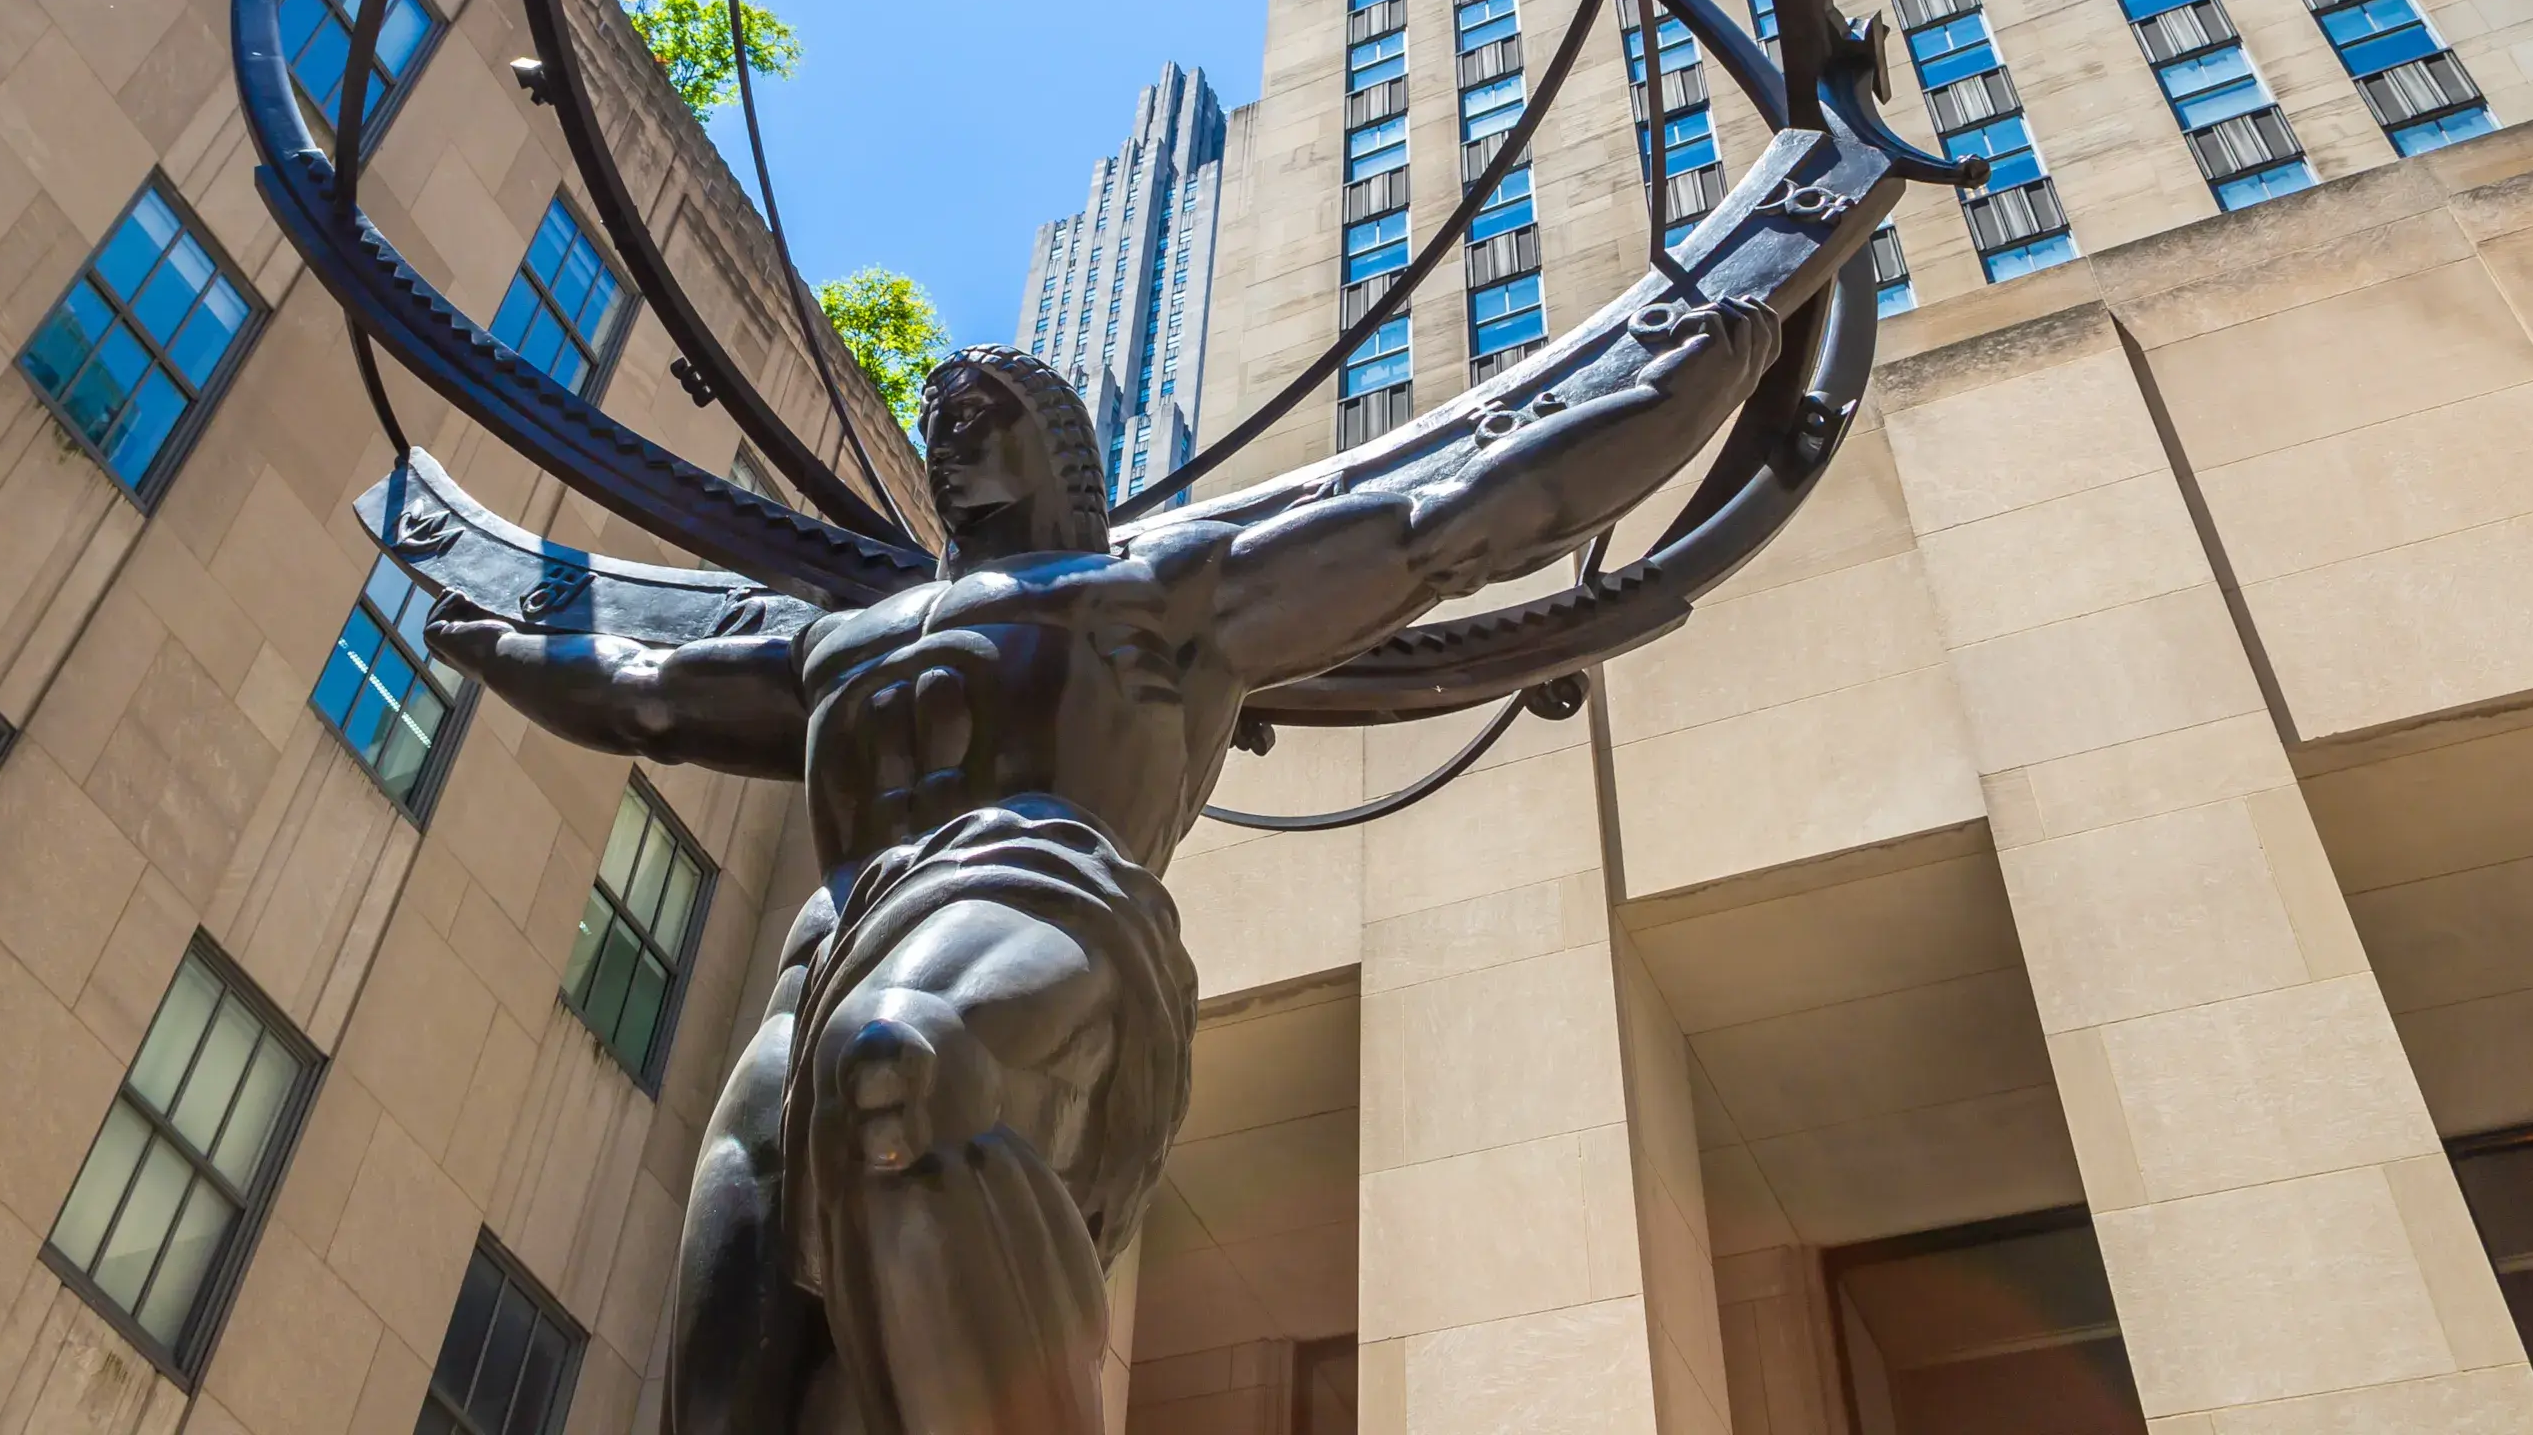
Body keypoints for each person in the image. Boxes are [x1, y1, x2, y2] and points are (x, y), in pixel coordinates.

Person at [425, 310, 1771, 1435]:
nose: (948, 446)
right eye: (936, 428)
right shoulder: (845, 638)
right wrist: (484, 634)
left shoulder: (1159, 595)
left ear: (1058, 446)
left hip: (1041, 908)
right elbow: (648, 693)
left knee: (908, 1058)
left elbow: (1456, 524)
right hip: (822, 960)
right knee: (732, 1344)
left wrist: (1707, 366)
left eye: (981, 418)